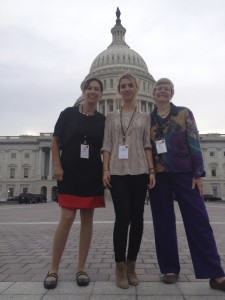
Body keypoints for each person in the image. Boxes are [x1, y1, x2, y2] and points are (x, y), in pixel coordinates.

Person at [148, 77, 225, 291]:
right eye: (159, 89)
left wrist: (198, 174)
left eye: (166, 89)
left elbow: (194, 141)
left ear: (171, 94)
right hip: (159, 175)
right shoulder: (148, 118)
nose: (162, 92)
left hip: (184, 173)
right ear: (153, 93)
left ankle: (215, 272)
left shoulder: (184, 113)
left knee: (198, 220)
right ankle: (169, 269)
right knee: (163, 222)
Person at [44, 77, 105, 289]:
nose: (93, 92)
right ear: (84, 90)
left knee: (87, 219)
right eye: (90, 88)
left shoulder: (102, 120)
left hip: (92, 173)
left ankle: (81, 268)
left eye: (97, 89)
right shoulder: (67, 114)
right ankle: (53, 268)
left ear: (101, 94)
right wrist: (57, 166)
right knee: (67, 218)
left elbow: (106, 149)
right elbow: (54, 141)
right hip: (69, 171)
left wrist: (106, 171)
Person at [102, 73, 156, 289]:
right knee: (122, 217)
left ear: (137, 88)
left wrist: (151, 170)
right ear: (118, 90)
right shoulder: (111, 117)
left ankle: (132, 264)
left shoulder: (145, 117)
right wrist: (105, 169)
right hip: (117, 171)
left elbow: (147, 145)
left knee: (138, 219)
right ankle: (120, 266)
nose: (127, 89)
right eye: (123, 86)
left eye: (130, 85)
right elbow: (106, 144)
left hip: (140, 170)